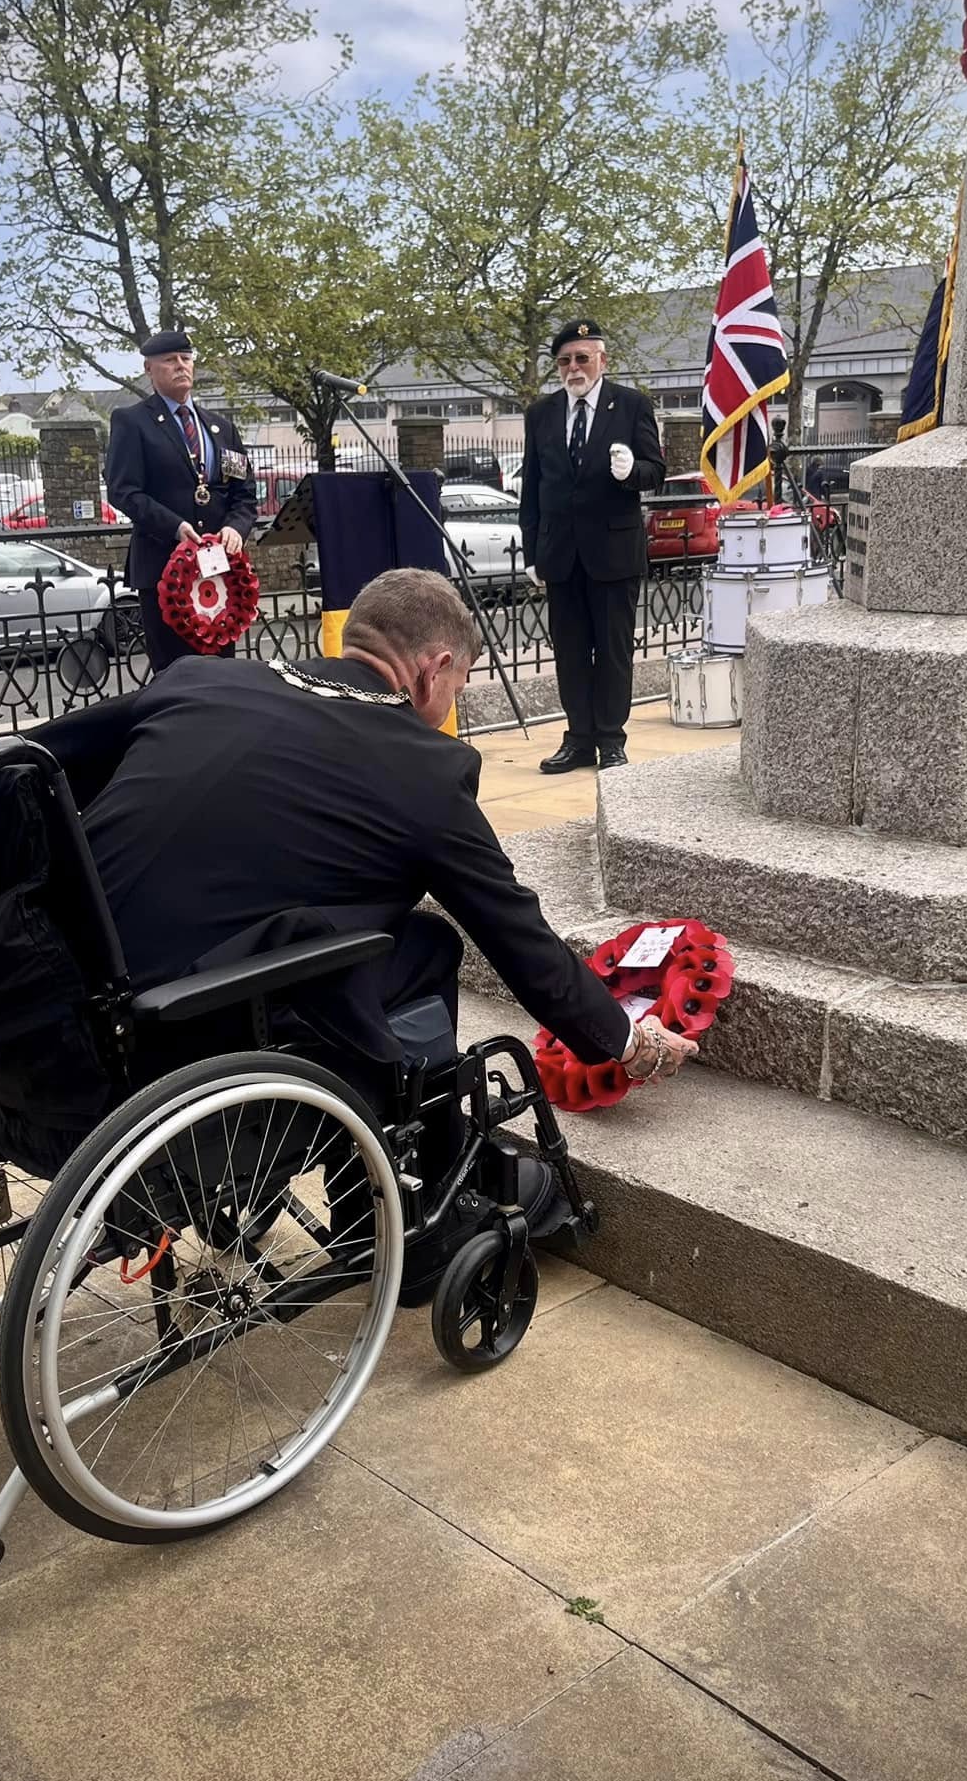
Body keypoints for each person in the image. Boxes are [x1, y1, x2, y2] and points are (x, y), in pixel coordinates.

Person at [67, 569, 697, 1171]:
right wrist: (628, 1044)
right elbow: (517, 937)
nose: (450, 704)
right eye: (458, 688)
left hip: (50, 994)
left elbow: (40, 764)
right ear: (433, 670)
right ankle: (403, 1184)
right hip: (161, 1044)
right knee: (425, 946)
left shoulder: (201, 680)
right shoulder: (424, 771)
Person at [517, 318, 666, 773]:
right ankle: (579, 739)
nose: (573, 368)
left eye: (582, 358)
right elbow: (533, 488)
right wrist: (532, 553)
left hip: (613, 553)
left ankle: (611, 740)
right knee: (571, 653)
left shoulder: (631, 405)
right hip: (561, 554)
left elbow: (656, 471)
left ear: (602, 360)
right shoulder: (541, 413)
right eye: (564, 361)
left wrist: (631, 472)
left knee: (614, 652)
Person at [103, 327, 258, 672]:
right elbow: (123, 490)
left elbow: (244, 492)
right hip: (164, 569)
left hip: (219, 573)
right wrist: (175, 527)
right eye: (170, 360)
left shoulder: (221, 428)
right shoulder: (132, 422)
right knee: (176, 674)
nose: (181, 366)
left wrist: (236, 527)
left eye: (186, 359)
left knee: (221, 672)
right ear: (149, 368)